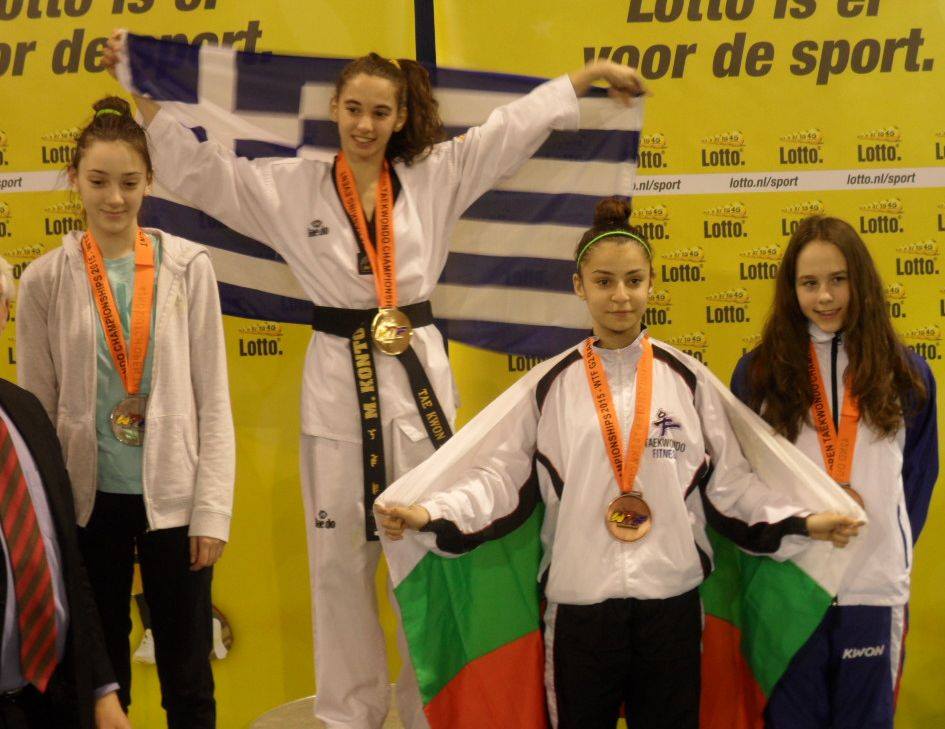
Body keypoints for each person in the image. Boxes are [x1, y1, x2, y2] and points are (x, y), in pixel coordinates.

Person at [103, 30, 647, 729]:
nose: (364, 124)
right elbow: (211, 175)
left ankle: (427, 710)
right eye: (354, 109)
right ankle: (348, 715)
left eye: (380, 112)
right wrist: (143, 96)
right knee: (339, 565)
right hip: (336, 383)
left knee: (424, 552)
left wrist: (583, 75)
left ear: (399, 117)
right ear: (334, 109)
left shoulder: (434, 176)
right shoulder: (293, 186)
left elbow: (508, 132)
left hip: (417, 385)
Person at [377, 197, 862, 729]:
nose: (621, 296)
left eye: (634, 281)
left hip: (671, 604)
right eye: (604, 282)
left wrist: (805, 520)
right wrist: (429, 512)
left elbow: (734, 487)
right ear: (579, 286)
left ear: (652, 284)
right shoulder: (549, 386)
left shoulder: (688, 380)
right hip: (579, 608)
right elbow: (497, 481)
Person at [16, 96, 235, 729]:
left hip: (174, 500)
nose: (114, 198)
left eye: (129, 183)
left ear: (150, 182)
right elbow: (37, 415)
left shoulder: (189, 269)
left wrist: (212, 510)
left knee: (188, 678)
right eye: (99, 181)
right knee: (101, 677)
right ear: (74, 180)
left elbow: (214, 401)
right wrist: (51, 520)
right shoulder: (45, 280)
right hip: (87, 504)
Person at [730, 215, 937, 729]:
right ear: (791, 289)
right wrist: (794, 537)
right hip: (789, 586)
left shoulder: (906, 373)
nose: (825, 297)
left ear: (860, 280)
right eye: (809, 283)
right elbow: (740, 482)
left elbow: (918, 478)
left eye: (838, 279)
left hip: (872, 588)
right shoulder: (758, 374)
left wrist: (879, 544)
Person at [0, 256, 129, 729]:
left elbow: (69, 564)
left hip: (56, 699)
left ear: (5, 313)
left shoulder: (27, 411)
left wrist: (102, 689)